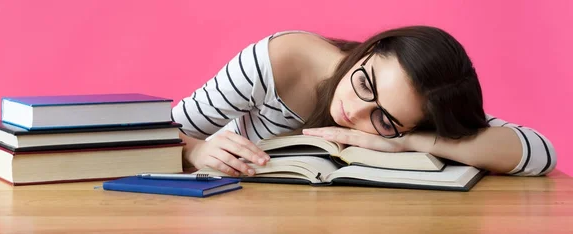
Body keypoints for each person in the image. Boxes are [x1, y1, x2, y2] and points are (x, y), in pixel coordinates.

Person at [171, 25, 556, 177]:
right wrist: (196, 151)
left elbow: (540, 152)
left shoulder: (416, 113)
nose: (354, 110)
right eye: (364, 82)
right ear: (369, 50)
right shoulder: (282, 60)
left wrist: (407, 140)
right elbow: (155, 133)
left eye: (383, 119)